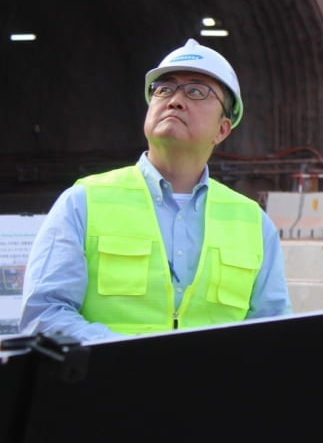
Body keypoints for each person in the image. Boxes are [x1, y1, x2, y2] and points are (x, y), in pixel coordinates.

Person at [19, 38, 291, 342]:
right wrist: (132, 356)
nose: (175, 100)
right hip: (109, 384)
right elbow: (44, 314)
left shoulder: (254, 224)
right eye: (164, 89)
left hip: (215, 388)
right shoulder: (83, 203)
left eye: (196, 91)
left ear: (222, 129)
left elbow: (273, 331)